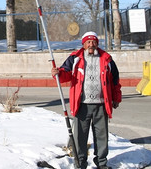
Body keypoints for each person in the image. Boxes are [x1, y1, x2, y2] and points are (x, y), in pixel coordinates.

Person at [51, 32, 122, 169]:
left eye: (93, 42)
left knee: (101, 136)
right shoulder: (75, 58)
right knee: (80, 138)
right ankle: (80, 164)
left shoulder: (106, 59)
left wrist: (116, 98)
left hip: (101, 104)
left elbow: (115, 81)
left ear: (97, 43)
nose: (91, 44)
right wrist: (58, 73)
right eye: (88, 42)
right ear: (83, 44)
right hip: (81, 105)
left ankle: (102, 163)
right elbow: (65, 73)